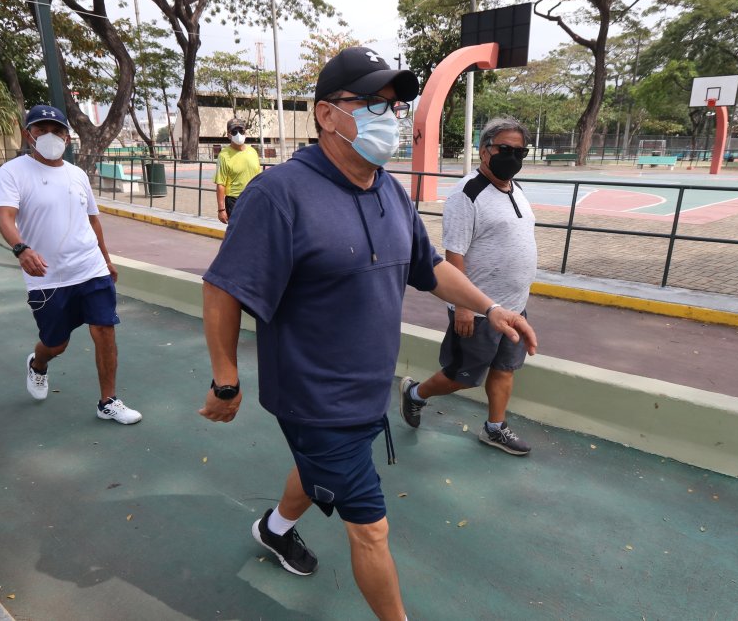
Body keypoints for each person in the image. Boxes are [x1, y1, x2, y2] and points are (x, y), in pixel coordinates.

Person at [198, 47, 537, 620]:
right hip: (313, 397)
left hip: (366, 391)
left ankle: (275, 529)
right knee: (371, 529)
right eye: (372, 103)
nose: (390, 115)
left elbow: (428, 268)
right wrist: (226, 379)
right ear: (326, 114)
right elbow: (223, 287)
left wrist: (489, 307)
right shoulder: (279, 194)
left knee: (315, 471)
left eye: (395, 105)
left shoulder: (389, 191)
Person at [0, 104, 142, 425]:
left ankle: (108, 401)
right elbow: (4, 217)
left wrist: (106, 259)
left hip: (90, 267)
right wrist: (21, 249)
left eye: (57, 130)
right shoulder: (13, 172)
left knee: (104, 330)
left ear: (68, 137)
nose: (50, 136)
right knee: (56, 344)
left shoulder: (77, 175)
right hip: (47, 276)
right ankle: (38, 364)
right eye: (41, 129)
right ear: (27, 134)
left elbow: (93, 221)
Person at [398, 117, 537, 455]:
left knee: (505, 369)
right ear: (484, 150)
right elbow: (453, 252)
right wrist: (462, 306)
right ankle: (415, 394)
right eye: (505, 149)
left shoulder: (516, 188)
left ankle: (494, 428)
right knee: (461, 376)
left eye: (520, 151)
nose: (513, 157)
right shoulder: (467, 194)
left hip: (514, 308)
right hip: (477, 311)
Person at [213, 117, 262, 224]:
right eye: (234, 132)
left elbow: (259, 177)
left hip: (254, 198)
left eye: (241, 131)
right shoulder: (224, 155)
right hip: (235, 201)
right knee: (239, 235)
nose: (238, 134)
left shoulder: (253, 152)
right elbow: (220, 184)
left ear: (245, 132)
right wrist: (221, 210)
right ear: (229, 135)